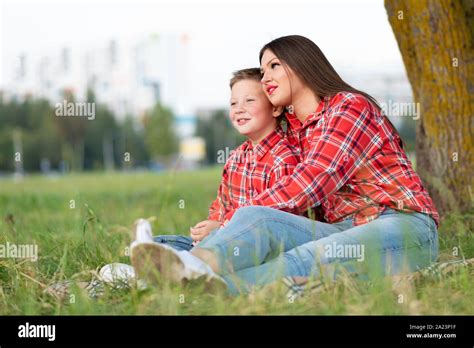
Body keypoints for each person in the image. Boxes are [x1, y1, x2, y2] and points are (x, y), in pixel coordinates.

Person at [132, 35, 439, 295]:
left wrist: (226, 225)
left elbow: (311, 182)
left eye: (274, 66)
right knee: (259, 220)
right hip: (340, 227)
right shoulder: (292, 130)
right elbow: (263, 185)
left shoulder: (348, 107)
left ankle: (195, 283)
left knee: (303, 258)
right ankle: (182, 266)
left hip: (400, 224)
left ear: (304, 66)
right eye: (262, 71)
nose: (265, 78)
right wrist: (228, 224)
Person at [129, 67, 306, 283]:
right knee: (167, 244)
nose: (239, 109)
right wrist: (210, 225)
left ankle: (169, 271)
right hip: (220, 239)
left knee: (200, 247)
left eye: (249, 101)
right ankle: (154, 262)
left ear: (276, 109)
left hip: (253, 250)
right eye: (233, 103)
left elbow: (275, 219)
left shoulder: (283, 158)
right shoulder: (235, 158)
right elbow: (221, 205)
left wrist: (220, 227)